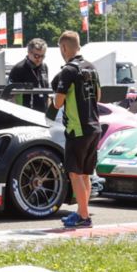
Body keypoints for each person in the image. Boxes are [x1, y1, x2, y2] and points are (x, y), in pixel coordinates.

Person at [52, 30, 101, 229]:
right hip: (94, 125)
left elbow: (57, 103)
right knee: (85, 174)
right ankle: (83, 212)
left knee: (74, 173)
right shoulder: (91, 67)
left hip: (77, 129)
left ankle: (83, 216)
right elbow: (98, 96)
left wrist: (55, 97)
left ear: (63, 48)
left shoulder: (68, 70)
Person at [8, 38, 50, 112]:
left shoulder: (44, 67)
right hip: (25, 114)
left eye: (42, 56)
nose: (39, 59)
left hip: (43, 114)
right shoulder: (18, 69)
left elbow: (47, 92)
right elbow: (11, 96)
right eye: (36, 56)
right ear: (29, 53)